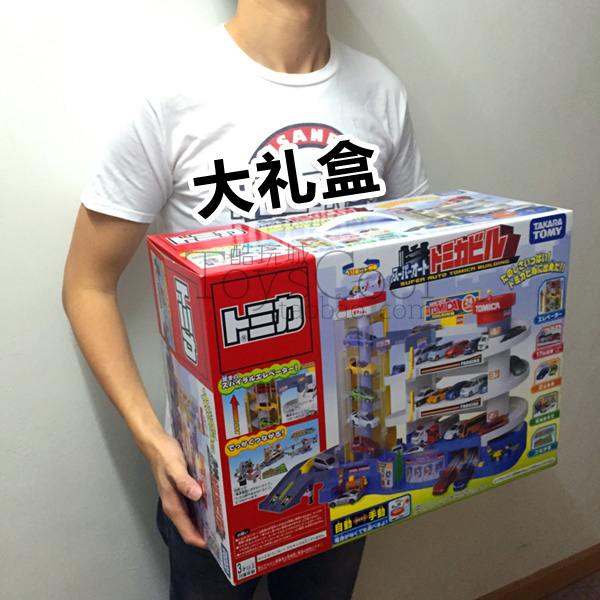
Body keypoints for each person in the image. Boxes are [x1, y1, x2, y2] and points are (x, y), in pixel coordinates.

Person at [63, 1, 427, 598]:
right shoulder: (174, 93)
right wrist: (153, 440)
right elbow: (87, 283)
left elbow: (415, 262)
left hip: (347, 452)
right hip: (212, 468)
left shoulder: (381, 91)